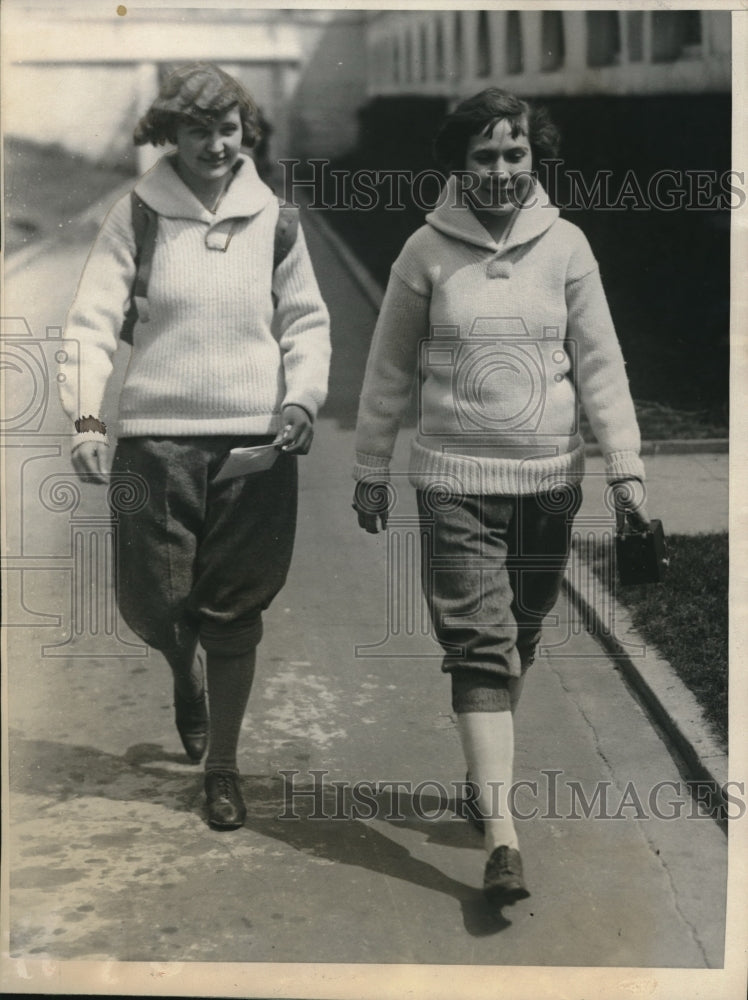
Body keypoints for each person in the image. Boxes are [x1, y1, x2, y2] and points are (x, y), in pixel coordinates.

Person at [352, 88, 648, 907]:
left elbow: (600, 365)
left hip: (550, 481)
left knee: (520, 631)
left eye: (514, 153)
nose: (501, 169)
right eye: (484, 155)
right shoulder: (423, 252)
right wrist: (370, 466)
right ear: (457, 163)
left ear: (533, 158)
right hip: (452, 481)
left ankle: (483, 778)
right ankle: (505, 838)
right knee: (479, 646)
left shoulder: (569, 247)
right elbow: (387, 371)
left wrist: (626, 469)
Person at [59, 63, 330, 831]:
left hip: (252, 440)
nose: (215, 144)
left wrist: (301, 400)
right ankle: (184, 672)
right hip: (155, 442)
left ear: (246, 132)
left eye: (228, 129)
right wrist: (86, 417)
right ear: (168, 135)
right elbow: (90, 322)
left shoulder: (275, 219)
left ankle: (223, 769)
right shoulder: (138, 213)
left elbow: (306, 321)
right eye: (197, 130)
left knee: (235, 609)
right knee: (153, 601)